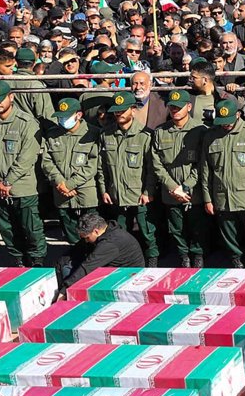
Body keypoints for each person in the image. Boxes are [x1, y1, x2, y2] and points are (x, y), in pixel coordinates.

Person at [0, 81, 45, 268]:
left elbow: (26, 158)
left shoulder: (27, 123)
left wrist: (7, 181)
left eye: (1, 99)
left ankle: (37, 263)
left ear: (11, 97)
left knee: (31, 229)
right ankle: (18, 261)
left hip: (22, 188)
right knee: (7, 229)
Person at [197, 99, 245, 268]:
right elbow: (206, 170)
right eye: (222, 123)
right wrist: (208, 199)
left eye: (229, 121)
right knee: (229, 236)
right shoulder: (211, 136)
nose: (226, 125)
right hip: (222, 198)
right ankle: (237, 261)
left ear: (237, 114)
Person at [151, 89, 208, 266]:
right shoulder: (161, 132)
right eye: (172, 107)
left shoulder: (200, 130)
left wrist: (186, 186)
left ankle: (198, 256)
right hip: (171, 192)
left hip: (193, 192)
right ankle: (183, 256)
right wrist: (171, 186)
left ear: (189, 107)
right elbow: (156, 162)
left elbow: (203, 163)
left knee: (197, 228)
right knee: (176, 228)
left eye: (179, 107)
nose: (175, 110)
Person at [99, 90, 157, 264]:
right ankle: (125, 261)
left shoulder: (145, 135)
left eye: (123, 110)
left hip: (139, 193)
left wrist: (148, 190)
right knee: (121, 231)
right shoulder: (106, 135)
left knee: (147, 231)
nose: (119, 114)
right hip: (116, 194)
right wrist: (104, 190)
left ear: (133, 110)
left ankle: (152, 260)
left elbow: (151, 168)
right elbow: (101, 167)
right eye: (116, 110)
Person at [40, 96, 102, 251]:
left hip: (86, 193)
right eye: (60, 117)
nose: (62, 120)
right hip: (61, 193)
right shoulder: (53, 134)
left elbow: (92, 165)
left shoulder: (93, 134)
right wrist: (60, 182)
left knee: (93, 231)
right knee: (70, 233)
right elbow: (47, 161)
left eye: (66, 117)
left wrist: (69, 184)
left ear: (79, 115)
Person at [62, 213, 144, 289]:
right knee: (68, 263)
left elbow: (88, 266)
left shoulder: (109, 243)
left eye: (87, 238)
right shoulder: (109, 229)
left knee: (69, 270)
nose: (86, 241)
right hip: (118, 269)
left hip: (127, 277)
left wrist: (65, 289)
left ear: (96, 231)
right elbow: (79, 248)